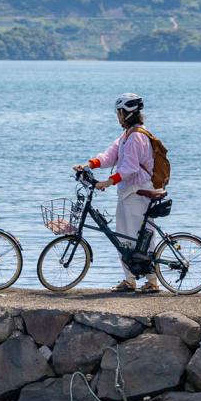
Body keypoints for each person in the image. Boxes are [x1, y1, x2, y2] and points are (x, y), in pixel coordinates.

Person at [73, 91, 168, 293]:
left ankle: (152, 281)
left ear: (127, 113)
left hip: (139, 192)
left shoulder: (136, 138)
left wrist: (108, 182)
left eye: (119, 112)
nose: (118, 116)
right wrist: (88, 165)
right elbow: (110, 155)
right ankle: (130, 279)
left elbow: (130, 168)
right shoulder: (126, 135)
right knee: (123, 237)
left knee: (141, 237)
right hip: (128, 192)